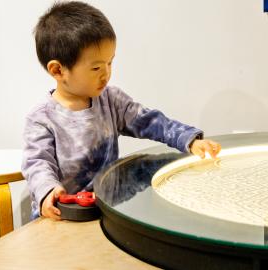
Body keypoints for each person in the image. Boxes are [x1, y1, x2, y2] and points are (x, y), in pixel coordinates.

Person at [22, 1, 221, 220]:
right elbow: (37, 163)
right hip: (63, 214)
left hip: (105, 208)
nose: (106, 74)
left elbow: (150, 122)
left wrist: (189, 140)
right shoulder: (42, 118)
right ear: (58, 70)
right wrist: (47, 190)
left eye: (110, 63)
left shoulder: (111, 100)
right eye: (96, 67)